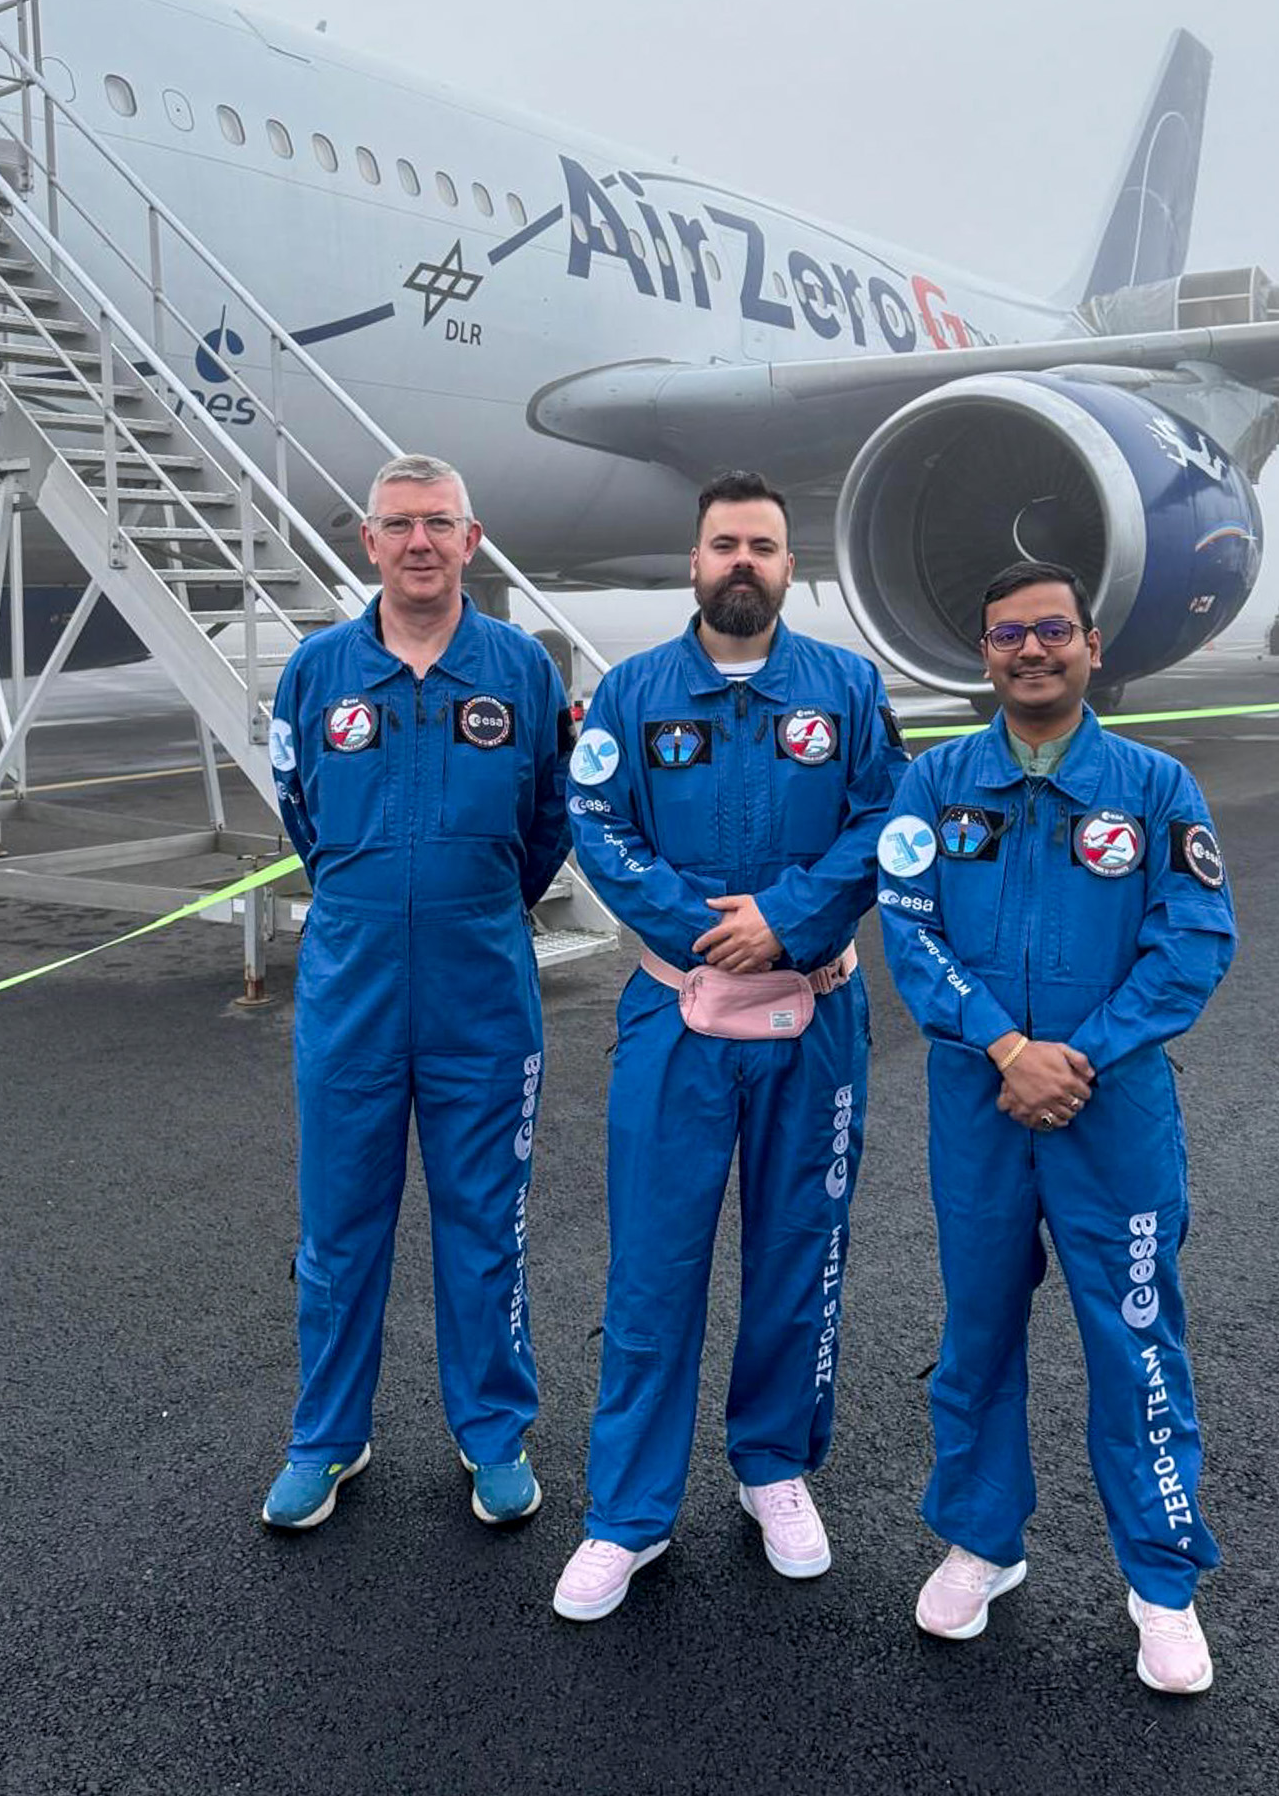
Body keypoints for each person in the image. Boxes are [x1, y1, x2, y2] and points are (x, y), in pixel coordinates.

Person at [552, 470, 910, 1622]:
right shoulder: (635, 694)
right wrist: (706, 928)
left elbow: (883, 822)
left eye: (762, 543)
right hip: (677, 1019)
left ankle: (772, 1465)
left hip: (815, 1015)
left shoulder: (847, 690)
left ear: (788, 566)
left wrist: (789, 920)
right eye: (723, 544)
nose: (741, 561)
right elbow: (596, 826)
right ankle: (626, 1512)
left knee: (798, 1248)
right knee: (655, 1265)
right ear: (694, 562)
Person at [877, 560, 1235, 1693]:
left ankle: (1162, 1582)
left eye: (1050, 630)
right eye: (1006, 635)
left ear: (1089, 642)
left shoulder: (1155, 785)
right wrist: (1003, 1045)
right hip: (979, 1107)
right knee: (976, 1335)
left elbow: (1192, 938)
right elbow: (909, 929)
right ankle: (982, 1540)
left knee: (1135, 1346)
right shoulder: (935, 785)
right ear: (982, 655)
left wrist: (1080, 1053)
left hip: (1109, 1109)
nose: (1030, 650)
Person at [261, 455, 571, 1530]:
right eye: (399, 524)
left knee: (484, 1220)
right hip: (351, 985)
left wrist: (468, 902)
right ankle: (327, 1436)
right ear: (369, 540)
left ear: (471, 538)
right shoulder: (315, 670)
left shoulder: (521, 669)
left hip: (481, 983)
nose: (420, 542)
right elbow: (298, 806)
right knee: (339, 1224)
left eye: (439, 522)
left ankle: (491, 1432)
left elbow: (547, 821)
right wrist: (377, 896)